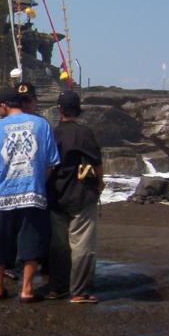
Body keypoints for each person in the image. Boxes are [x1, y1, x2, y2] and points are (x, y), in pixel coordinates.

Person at [0, 86, 59, 303]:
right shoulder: (41, 124)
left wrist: (1, 185)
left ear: (5, 105)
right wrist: (37, 183)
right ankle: (26, 289)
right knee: (31, 243)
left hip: (3, 196)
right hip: (33, 194)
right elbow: (51, 162)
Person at [46, 90, 104, 304]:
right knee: (82, 243)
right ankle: (79, 291)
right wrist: (100, 183)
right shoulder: (85, 133)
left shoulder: (53, 133)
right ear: (77, 110)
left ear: (59, 110)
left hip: (56, 193)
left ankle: (57, 287)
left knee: (58, 245)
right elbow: (96, 162)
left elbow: (47, 165)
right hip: (81, 192)